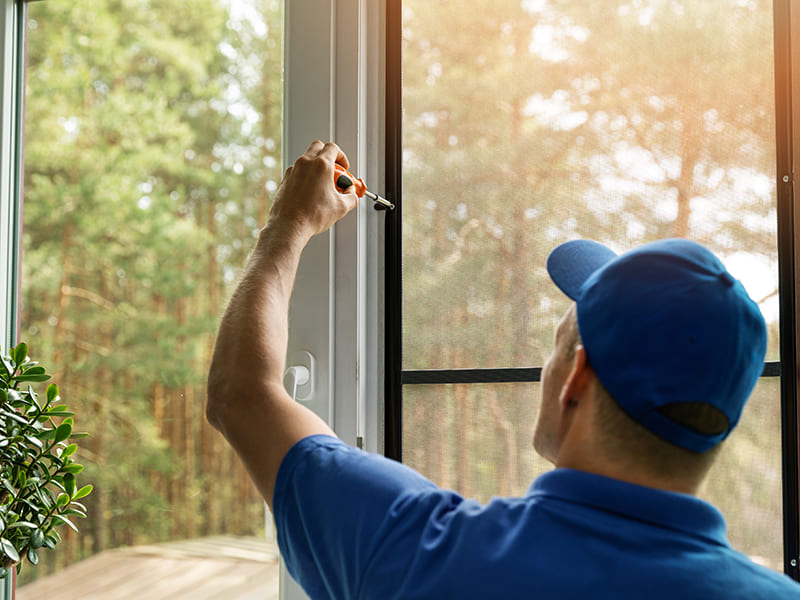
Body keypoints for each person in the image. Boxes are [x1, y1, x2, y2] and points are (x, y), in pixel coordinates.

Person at [206, 140, 800, 599]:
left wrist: (287, 224)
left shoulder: (426, 555)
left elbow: (243, 396)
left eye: (558, 343)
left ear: (577, 381)